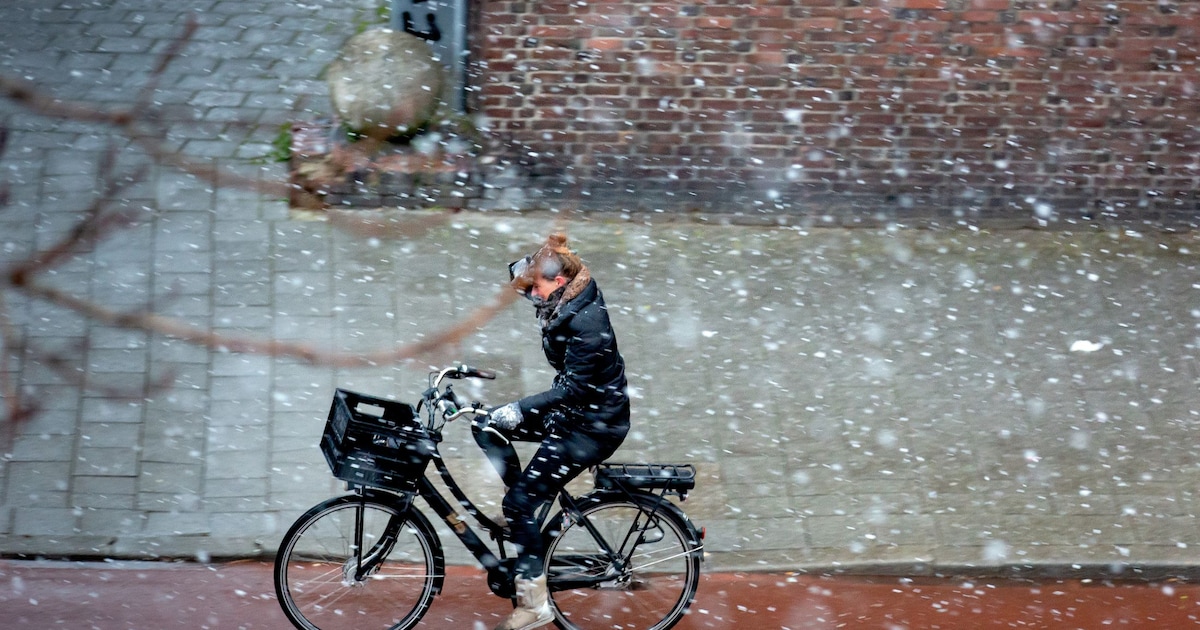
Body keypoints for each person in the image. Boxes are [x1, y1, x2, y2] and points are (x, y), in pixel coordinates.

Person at [474, 233, 630, 630]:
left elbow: (573, 388)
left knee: (519, 503)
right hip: (575, 414)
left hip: (592, 427)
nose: (531, 295)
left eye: (535, 287)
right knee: (485, 425)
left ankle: (534, 606)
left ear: (559, 281)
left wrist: (519, 409)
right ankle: (522, 509)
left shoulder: (587, 322)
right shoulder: (567, 301)